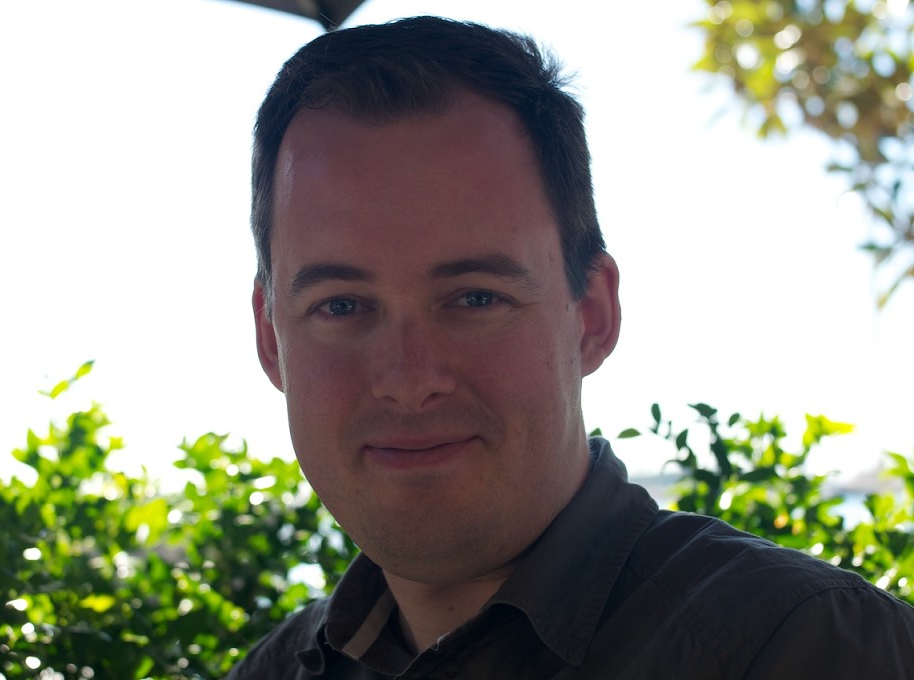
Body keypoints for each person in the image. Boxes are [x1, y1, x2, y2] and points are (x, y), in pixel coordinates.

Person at [229, 15, 914, 679]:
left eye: (476, 298)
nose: (409, 379)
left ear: (592, 315)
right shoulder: (273, 671)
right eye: (341, 306)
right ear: (270, 337)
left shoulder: (804, 648)